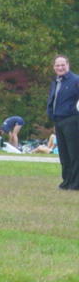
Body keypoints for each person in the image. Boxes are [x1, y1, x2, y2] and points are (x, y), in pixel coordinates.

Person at [46, 55, 79, 189]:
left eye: (62, 65)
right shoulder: (56, 82)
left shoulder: (76, 80)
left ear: (68, 65)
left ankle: (76, 184)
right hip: (58, 121)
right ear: (54, 67)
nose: (60, 67)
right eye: (57, 65)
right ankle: (66, 181)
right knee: (64, 154)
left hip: (72, 120)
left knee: (74, 153)